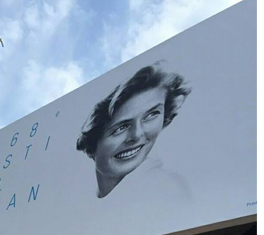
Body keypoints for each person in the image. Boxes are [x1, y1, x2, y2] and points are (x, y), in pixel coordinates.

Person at [77, 62, 191, 199]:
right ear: (92, 142)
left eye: (151, 115)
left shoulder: (166, 189)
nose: (137, 135)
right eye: (121, 127)